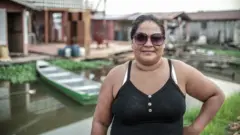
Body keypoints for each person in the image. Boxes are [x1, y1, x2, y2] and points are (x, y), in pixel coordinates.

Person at [91, 14, 225, 135]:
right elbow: (100, 123)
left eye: (156, 38)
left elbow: (215, 96)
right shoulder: (116, 75)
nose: (148, 44)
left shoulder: (180, 72)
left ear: (163, 43)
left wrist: (195, 129)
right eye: (141, 37)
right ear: (132, 42)